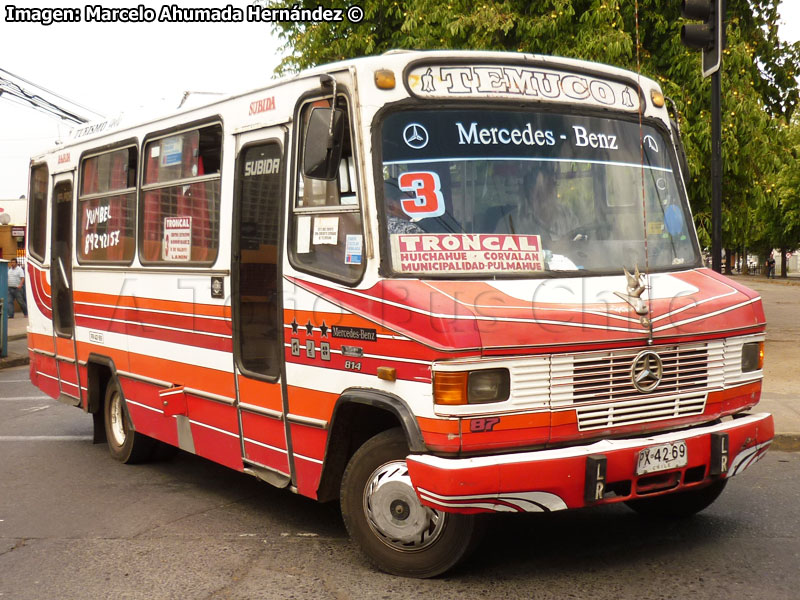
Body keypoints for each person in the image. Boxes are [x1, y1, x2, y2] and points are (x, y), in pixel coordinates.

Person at [521, 168, 578, 240]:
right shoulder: (520, 220)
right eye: (538, 191)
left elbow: (579, 242)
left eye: (548, 188)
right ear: (529, 194)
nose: (544, 196)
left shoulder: (567, 215)